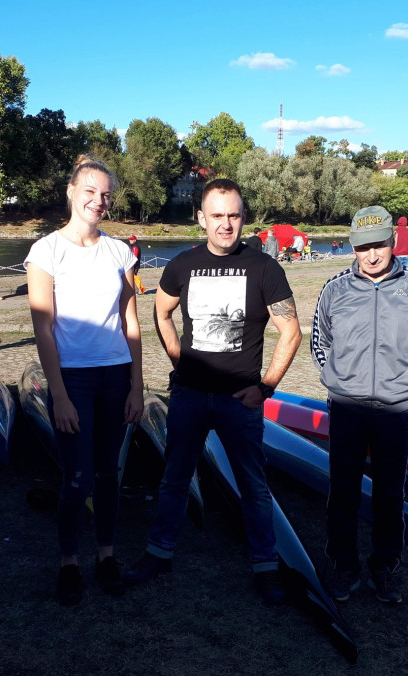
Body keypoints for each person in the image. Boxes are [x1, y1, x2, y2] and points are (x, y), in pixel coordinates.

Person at [122, 179, 303, 606]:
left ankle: (265, 567)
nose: (226, 224)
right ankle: (159, 553)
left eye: (233, 215)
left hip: (240, 400)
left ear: (243, 218)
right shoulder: (182, 265)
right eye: (217, 215)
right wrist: (178, 360)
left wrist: (266, 387)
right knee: (174, 479)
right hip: (189, 395)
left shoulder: (265, 268)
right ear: (202, 218)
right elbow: (161, 313)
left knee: (253, 485)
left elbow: (291, 331)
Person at [311, 205, 408, 605]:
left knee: (390, 493)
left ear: (393, 241)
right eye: (362, 247)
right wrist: (339, 380)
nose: (371, 255)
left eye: (379, 246)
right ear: (353, 247)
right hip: (346, 407)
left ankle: (385, 567)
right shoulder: (334, 289)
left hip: (395, 409)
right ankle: (343, 566)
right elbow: (321, 342)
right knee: (343, 491)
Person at [25, 155, 144, 607]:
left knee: (109, 474)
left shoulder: (120, 252)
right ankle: (69, 563)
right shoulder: (46, 251)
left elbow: (131, 322)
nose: (99, 201)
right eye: (91, 191)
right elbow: (43, 328)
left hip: (116, 376)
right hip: (72, 380)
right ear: (71, 191)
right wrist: (58, 395)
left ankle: (107, 556)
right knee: (77, 479)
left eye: (106, 195)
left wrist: (137, 386)